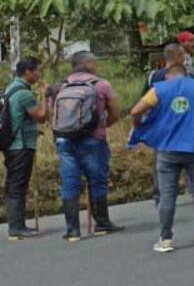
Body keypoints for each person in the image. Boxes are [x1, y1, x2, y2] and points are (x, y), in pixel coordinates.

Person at [129, 63, 194, 252]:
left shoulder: (159, 89)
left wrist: (140, 126)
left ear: (167, 76)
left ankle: (166, 239)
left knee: (167, 195)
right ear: (186, 75)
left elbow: (135, 111)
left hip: (168, 149)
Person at [51, 51, 123, 241]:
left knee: (69, 183)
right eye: (94, 62)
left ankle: (72, 230)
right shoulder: (101, 84)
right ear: (88, 64)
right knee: (97, 180)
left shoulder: (60, 86)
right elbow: (116, 113)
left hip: (64, 140)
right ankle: (102, 223)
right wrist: (102, 127)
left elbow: (54, 113)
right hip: (92, 139)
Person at [5, 57, 48, 240]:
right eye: (37, 70)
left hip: (11, 144)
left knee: (13, 184)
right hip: (21, 145)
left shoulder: (10, 89)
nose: (39, 74)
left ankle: (17, 225)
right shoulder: (23, 94)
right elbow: (41, 116)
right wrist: (45, 96)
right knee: (17, 185)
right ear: (28, 72)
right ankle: (17, 227)